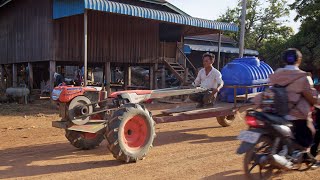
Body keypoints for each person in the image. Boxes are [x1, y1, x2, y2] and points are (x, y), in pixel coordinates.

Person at [254, 48, 318, 158]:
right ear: (299, 60)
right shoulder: (304, 77)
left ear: (284, 60)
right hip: (295, 116)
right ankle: (304, 154)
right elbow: (312, 97)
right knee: (309, 132)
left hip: (274, 112)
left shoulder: (276, 74)